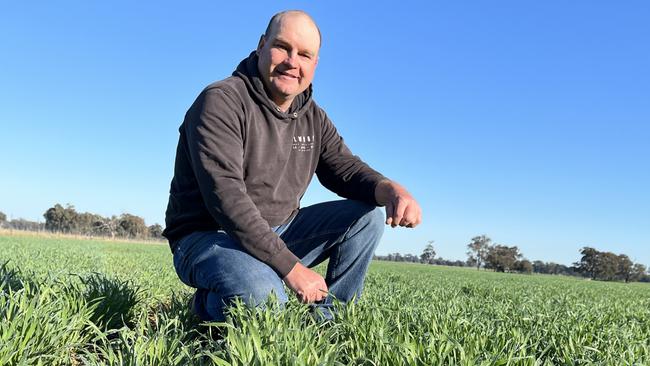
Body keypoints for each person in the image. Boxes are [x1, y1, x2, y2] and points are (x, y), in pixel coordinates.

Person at [163, 10, 421, 321]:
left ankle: (324, 324)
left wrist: (390, 189)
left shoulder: (313, 117)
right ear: (261, 45)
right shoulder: (221, 101)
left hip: (280, 231)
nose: (292, 62)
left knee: (367, 219)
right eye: (283, 47)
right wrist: (291, 268)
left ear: (315, 64)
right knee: (267, 297)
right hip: (208, 236)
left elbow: (345, 169)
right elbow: (226, 198)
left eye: (305, 54)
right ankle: (205, 307)